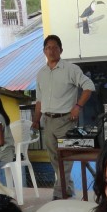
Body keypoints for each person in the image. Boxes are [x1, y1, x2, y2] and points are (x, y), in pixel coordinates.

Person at [33, 35, 96, 199]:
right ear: (44, 51)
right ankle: (68, 192)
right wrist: (35, 121)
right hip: (47, 121)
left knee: (66, 159)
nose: (51, 50)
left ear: (61, 49)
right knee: (55, 160)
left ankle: (59, 195)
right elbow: (39, 100)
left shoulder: (71, 69)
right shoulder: (41, 74)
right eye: (48, 47)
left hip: (66, 120)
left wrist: (78, 107)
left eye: (55, 47)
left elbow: (89, 86)